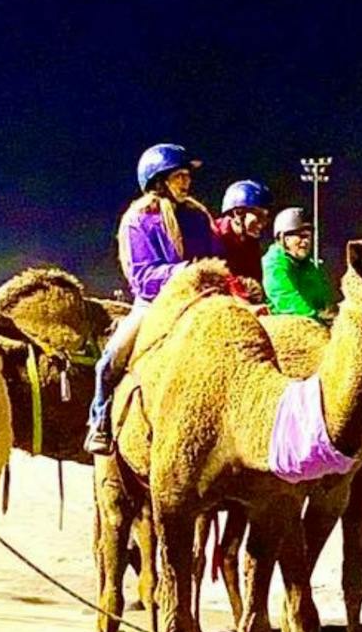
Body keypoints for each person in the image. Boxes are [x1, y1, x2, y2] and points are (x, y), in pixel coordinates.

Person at [83, 143, 221, 455]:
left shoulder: (199, 217)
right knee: (108, 362)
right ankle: (100, 423)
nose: (186, 183)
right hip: (155, 305)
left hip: (202, 300)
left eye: (187, 176)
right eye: (179, 176)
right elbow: (142, 278)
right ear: (158, 180)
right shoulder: (138, 220)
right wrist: (187, 272)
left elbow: (215, 259)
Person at [261, 207, 335, 320]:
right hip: (283, 322)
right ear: (284, 238)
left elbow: (321, 295)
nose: (306, 241)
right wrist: (314, 316)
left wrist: (330, 312)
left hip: (310, 320)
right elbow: (284, 296)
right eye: (301, 236)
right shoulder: (273, 262)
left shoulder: (307, 265)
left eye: (308, 236)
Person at [210, 179, 272, 294]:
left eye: (266, 217)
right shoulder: (212, 236)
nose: (264, 223)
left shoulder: (250, 242)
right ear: (238, 213)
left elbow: (255, 279)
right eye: (259, 215)